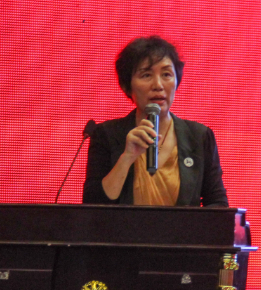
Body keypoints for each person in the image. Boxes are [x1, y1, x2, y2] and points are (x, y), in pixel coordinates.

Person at [83, 36, 228, 207]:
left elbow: (218, 205)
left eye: (166, 74)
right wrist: (127, 158)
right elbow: (92, 206)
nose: (158, 85)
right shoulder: (107, 135)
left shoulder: (199, 137)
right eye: (146, 75)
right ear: (127, 86)